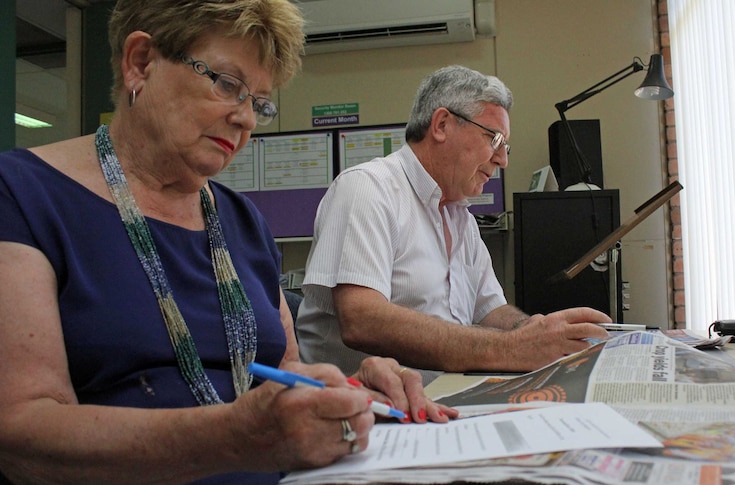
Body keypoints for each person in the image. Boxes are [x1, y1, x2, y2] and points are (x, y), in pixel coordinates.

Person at [0, 1, 456, 484]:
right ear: (140, 63)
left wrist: (343, 392)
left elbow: (283, 371)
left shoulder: (241, 221)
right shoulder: (22, 194)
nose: (247, 120)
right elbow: (20, 435)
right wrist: (232, 438)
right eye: (228, 84)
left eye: (259, 102)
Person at [295, 65, 612, 385]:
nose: (503, 159)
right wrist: (514, 348)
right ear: (443, 125)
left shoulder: (461, 219)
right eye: (495, 138)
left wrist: (536, 331)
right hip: (361, 414)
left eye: (506, 145)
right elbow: (362, 319)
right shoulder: (368, 189)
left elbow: (490, 310)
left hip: (443, 401)